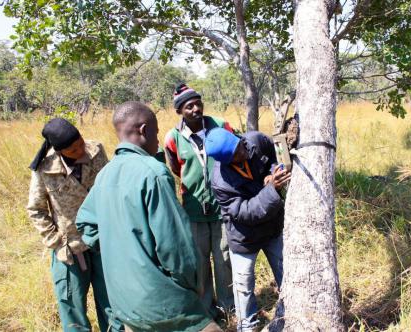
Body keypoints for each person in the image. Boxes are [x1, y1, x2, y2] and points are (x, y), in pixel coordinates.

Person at [76, 101, 221, 332]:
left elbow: (85, 225)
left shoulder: (104, 175)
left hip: (123, 301)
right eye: (155, 130)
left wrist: (123, 252)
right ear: (143, 130)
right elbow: (176, 247)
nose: (158, 138)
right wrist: (195, 285)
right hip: (163, 301)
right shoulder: (153, 172)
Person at [27, 118, 121, 332]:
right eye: (73, 149)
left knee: (112, 300)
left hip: (102, 240)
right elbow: (36, 210)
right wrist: (56, 242)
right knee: (72, 305)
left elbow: (109, 189)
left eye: (80, 143)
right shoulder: (45, 169)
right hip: (69, 247)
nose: (80, 150)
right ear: (59, 151)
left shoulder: (96, 151)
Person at [204, 128, 291, 332]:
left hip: (272, 228)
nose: (243, 152)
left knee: (287, 273)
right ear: (225, 161)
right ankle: (247, 326)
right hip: (244, 237)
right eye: (235, 155)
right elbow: (244, 212)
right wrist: (272, 190)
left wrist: (272, 174)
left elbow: (274, 156)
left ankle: (289, 315)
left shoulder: (255, 141)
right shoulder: (220, 182)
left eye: (239, 146)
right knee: (243, 286)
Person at [164, 83, 234, 317]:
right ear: (179, 112)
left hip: (222, 206)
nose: (195, 109)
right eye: (188, 106)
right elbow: (176, 168)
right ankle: (206, 310)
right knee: (200, 263)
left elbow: (235, 155)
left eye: (198, 103)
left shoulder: (221, 126)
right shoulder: (173, 137)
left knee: (224, 259)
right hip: (193, 210)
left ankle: (228, 307)